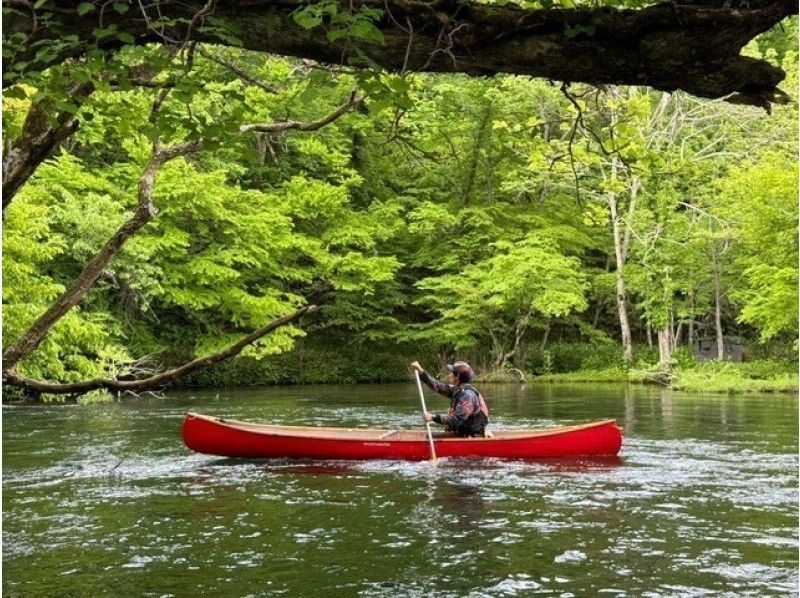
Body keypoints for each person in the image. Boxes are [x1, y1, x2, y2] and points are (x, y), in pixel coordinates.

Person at [410, 360, 489, 437]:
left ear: (457, 376)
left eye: (452, 373)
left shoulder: (467, 395)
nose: (449, 375)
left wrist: (433, 417)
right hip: (461, 432)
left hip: (470, 435)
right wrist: (421, 370)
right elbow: (438, 386)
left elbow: (457, 419)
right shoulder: (457, 389)